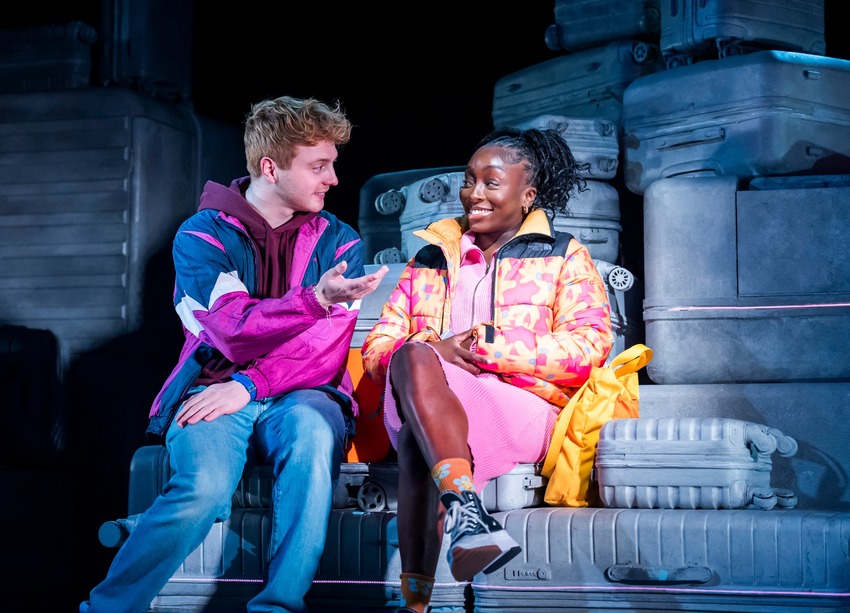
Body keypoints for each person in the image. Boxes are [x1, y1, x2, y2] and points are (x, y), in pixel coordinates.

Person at [81, 95, 389, 613]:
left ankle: (277, 607)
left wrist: (249, 385)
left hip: (302, 394)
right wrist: (312, 302)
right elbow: (230, 330)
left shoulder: (340, 241)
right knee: (201, 489)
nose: (333, 179)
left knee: (314, 440)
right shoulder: (202, 236)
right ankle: (108, 608)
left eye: (332, 164)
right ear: (270, 167)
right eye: (319, 166)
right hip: (210, 390)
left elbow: (322, 348)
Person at [362, 126, 614, 613]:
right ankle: (467, 513)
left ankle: (415, 601)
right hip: (427, 397)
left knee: (421, 433)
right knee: (414, 357)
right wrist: (438, 347)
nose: (473, 194)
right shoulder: (430, 258)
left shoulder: (562, 255)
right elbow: (378, 347)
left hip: (518, 405)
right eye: (468, 180)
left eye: (491, 182)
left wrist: (485, 347)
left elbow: (590, 347)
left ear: (528, 194)